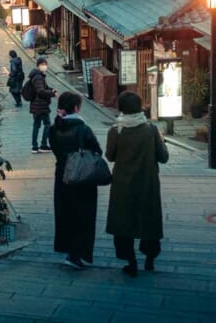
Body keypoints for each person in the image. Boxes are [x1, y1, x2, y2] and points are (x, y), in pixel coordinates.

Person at [104, 90, 169, 277]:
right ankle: (150, 259)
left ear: (121, 108)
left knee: (124, 222)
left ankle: (130, 261)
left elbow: (110, 156)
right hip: (147, 183)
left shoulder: (115, 130)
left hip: (123, 184)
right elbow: (163, 157)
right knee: (149, 220)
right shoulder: (151, 129)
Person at [49, 91, 101, 270]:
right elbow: (97, 151)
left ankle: (69, 250)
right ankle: (76, 254)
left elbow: (55, 150)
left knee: (65, 214)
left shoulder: (54, 128)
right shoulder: (83, 128)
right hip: (82, 177)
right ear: (76, 108)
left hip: (62, 176)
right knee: (83, 215)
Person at [26, 57, 56, 152]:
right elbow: (40, 91)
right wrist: (51, 93)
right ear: (38, 65)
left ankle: (35, 146)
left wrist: (51, 90)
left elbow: (43, 88)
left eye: (45, 64)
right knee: (47, 124)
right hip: (40, 105)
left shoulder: (37, 75)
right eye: (42, 64)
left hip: (36, 105)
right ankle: (43, 145)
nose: (44, 66)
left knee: (37, 124)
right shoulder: (38, 77)